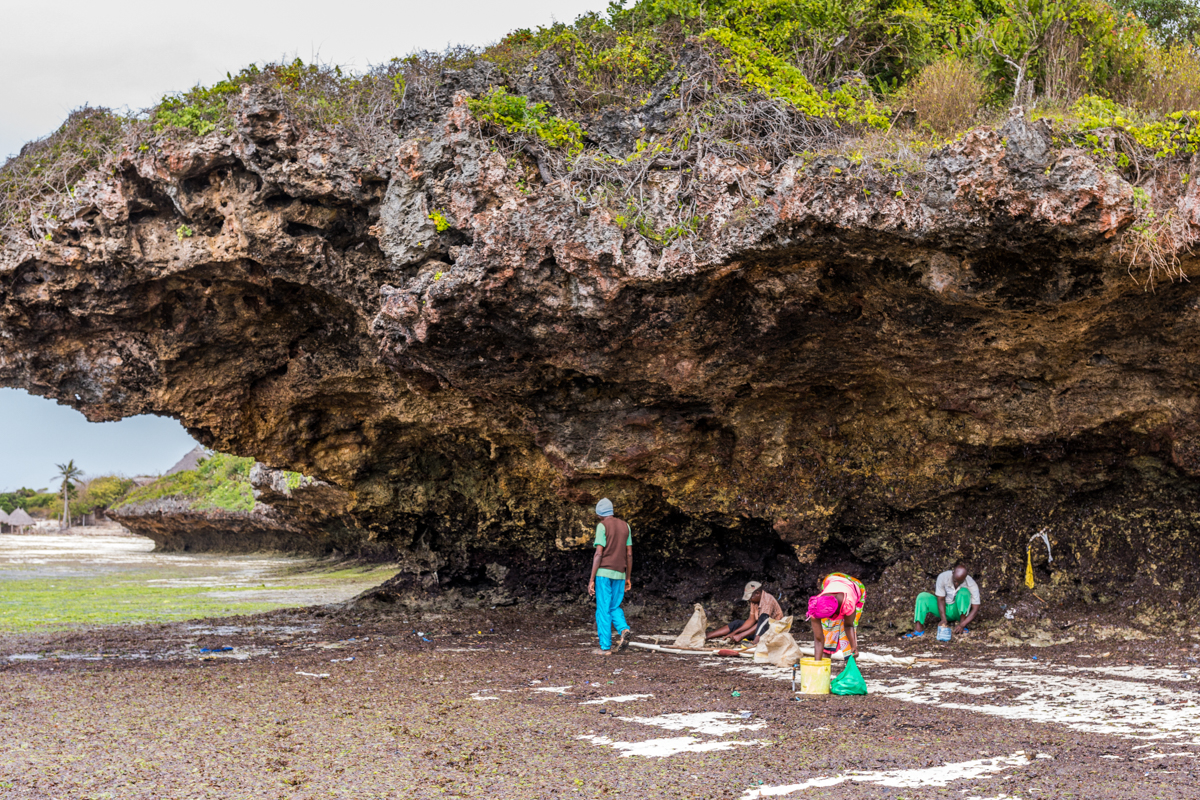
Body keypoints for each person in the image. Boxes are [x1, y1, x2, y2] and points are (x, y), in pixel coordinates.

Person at [586, 498, 632, 656]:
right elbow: (629, 554)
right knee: (614, 607)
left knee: (603, 610)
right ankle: (624, 629)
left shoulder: (602, 526)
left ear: (599, 514)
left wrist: (592, 579)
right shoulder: (626, 526)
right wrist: (628, 577)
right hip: (620, 573)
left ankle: (605, 647)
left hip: (603, 574)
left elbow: (599, 553)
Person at [905, 562, 980, 638]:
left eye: (959, 582)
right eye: (955, 581)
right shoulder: (943, 577)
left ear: (965, 577)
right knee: (922, 597)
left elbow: (975, 608)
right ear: (953, 573)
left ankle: (963, 626)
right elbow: (940, 599)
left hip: (958, 611)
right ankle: (919, 630)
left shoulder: (971, 584)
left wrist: (962, 624)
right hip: (944, 610)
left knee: (964, 592)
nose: (956, 583)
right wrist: (943, 619)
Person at [806, 572, 865, 660]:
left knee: (848, 636)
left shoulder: (849, 604)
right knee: (828, 629)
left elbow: (849, 626)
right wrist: (817, 664)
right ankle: (825, 656)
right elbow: (818, 639)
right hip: (831, 579)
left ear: (835, 613)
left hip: (855, 587)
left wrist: (854, 646)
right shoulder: (815, 607)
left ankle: (850, 664)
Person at [705, 581, 784, 645]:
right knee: (737, 623)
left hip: (772, 631)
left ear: (757, 593)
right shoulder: (754, 601)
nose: (749, 600)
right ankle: (708, 635)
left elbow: (763, 622)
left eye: (750, 597)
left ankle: (756, 642)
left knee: (764, 618)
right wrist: (734, 632)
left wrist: (741, 635)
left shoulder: (767, 599)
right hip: (759, 630)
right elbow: (751, 620)